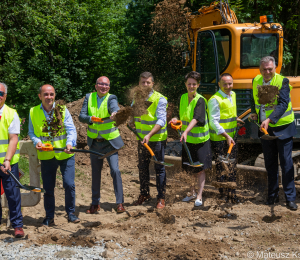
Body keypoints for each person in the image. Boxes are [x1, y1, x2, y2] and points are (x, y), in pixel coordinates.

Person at [249, 56, 297, 210]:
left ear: (275, 67)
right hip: (265, 129)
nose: (267, 72)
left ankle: (290, 198)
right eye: (264, 69)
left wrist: (269, 119)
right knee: (270, 164)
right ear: (260, 69)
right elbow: (254, 99)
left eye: (270, 69)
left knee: (286, 163)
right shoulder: (256, 80)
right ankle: (272, 195)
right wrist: (254, 112)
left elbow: (283, 104)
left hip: (283, 127)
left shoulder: (282, 81)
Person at [28, 84, 79, 226]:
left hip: (65, 154)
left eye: (51, 94)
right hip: (47, 156)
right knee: (48, 188)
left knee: (69, 184)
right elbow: (32, 133)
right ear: (40, 96)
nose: (49, 97)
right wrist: (37, 142)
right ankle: (49, 216)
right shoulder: (33, 111)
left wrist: (70, 143)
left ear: (54, 95)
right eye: (45, 94)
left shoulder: (62, 109)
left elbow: (71, 129)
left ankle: (71, 213)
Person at [79, 76, 126, 214]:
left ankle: (120, 203)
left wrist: (115, 114)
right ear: (96, 86)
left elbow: (114, 108)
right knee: (95, 173)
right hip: (94, 142)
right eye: (101, 84)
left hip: (110, 142)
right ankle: (95, 203)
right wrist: (90, 119)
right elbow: (81, 116)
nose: (103, 86)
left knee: (115, 171)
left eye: (106, 85)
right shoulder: (89, 97)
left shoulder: (111, 98)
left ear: (109, 87)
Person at [169, 71, 212, 207]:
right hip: (187, 140)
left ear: (198, 85)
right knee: (189, 168)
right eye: (189, 84)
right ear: (185, 84)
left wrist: (186, 131)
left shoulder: (200, 100)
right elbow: (184, 116)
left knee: (199, 169)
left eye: (194, 84)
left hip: (200, 140)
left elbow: (197, 118)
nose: (191, 86)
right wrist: (176, 119)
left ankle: (199, 196)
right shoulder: (182, 98)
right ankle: (192, 193)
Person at [130, 72, 168, 209]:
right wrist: (130, 120)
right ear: (139, 83)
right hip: (141, 139)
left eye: (148, 82)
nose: (145, 84)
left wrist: (150, 135)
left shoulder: (160, 99)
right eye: (142, 82)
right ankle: (144, 194)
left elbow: (162, 120)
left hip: (156, 139)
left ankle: (161, 198)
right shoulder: (137, 96)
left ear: (152, 84)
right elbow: (133, 112)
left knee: (159, 168)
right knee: (142, 167)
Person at [208, 73, 243, 203]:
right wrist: (226, 136)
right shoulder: (214, 100)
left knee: (232, 165)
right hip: (220, 139)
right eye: (225, 84)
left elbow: (228, 115)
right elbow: (214, 122)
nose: (228, 86)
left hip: (232, 138)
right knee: (222, 167)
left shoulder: (232, 95)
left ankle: (232, 195)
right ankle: (223, 195)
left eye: (230, 84)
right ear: (219, 84)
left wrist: (236, 119)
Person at [0, 82, 24, 238]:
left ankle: (17, 225)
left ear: (5, 96)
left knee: (12, 194)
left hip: (7, 163)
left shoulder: (11, 113)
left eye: (0, 94)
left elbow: (13, 139)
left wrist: (7, 160)